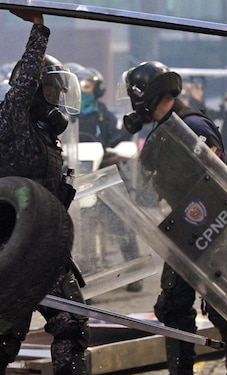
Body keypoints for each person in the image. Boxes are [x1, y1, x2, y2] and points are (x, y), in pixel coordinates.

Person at [0, 10, 123, 375]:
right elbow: (22, 83)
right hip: (11, 249)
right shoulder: (11, 125)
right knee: (5, 335)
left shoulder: (45, 141)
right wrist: (39, 30)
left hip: (44, 249)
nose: (55, 99)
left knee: (72, 324)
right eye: (48, 90)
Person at [121, 60, 227, 375]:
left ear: (145, 95)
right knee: (172, 303)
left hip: (215, 226)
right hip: (186, 228)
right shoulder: (163, 133)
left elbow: (217, 181)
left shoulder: (192, 126)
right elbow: (145, 187)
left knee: (221, 302)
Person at [74, 66, 142, 292]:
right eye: (80, 86)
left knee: (123, 221)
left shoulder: (103, 114)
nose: (84, 91)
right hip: (76, 180)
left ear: (97, 89)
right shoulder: (66, 116)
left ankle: (135, 272)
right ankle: (78, 277)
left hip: (103, 177)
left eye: (88, 86)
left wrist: (114, 151)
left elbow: (116, 139)